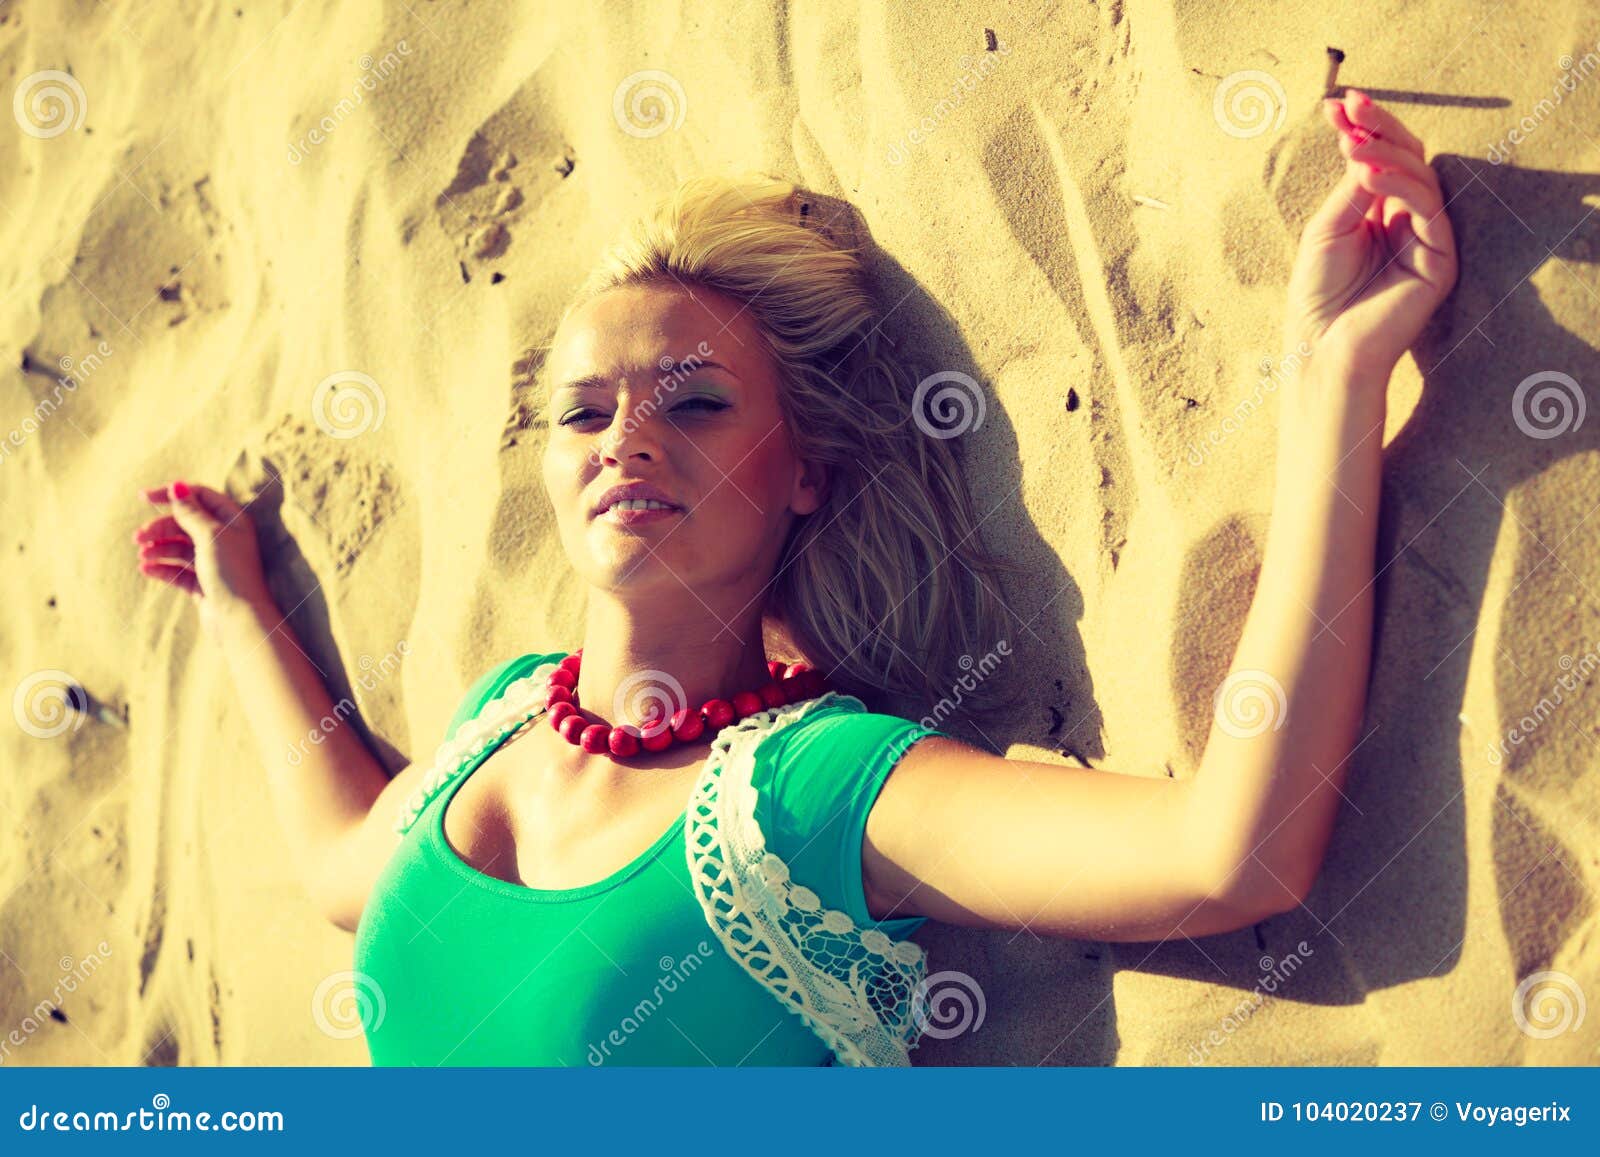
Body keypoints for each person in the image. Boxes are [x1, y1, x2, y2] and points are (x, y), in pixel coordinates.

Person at [131, 89, 1457, 1065]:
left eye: (697, 404)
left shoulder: (800, 796)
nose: (627, 438)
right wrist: (244, 605)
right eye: (583, 411)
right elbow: (343, 868)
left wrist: (1333, 378)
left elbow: (1226, 856)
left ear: (803, 471)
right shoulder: (500, 716)